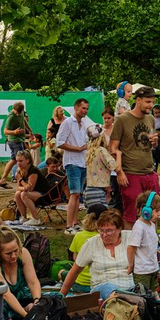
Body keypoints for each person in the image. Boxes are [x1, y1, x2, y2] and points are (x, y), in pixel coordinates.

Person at [110, 84, 159, 226]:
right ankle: (129, 246)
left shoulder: (150, 119)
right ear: (138, 100)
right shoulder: (122, 120)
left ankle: (151, 246)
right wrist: (119, 172)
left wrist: (155, 142)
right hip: (130, 174)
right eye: (148, 101)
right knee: (131, 215)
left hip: (150, 173)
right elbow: (113, 149)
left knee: (153, 213)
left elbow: (150, 145)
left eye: (152, 102)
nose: (151, 105)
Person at [58, 209, 134, 299]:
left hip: (129, 288)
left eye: (109, 231)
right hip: (102, 290)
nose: (104, 235)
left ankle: (127, 300)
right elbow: (75, 271)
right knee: (108, 287)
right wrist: (61, 296)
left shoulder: (131, 238)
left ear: (120, 228)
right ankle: (120, 300)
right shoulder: (91, 244)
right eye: (101, 230)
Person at [0, 226, 42, 320]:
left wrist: (36, 302)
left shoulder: (24, 253)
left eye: (16, 251)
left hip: (22, 299)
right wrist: (27, 317)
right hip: (4, 308)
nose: (14, 256)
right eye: (8, 253)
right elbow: (7, 295)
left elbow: (33, 282)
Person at [57, 98, 94, 235]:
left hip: (82, 161)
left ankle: (75, 223)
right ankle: (68, 226)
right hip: (72, 161)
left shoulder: (83, 123)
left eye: (86, 109)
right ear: (76, 108)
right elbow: (60, 142)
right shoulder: (67, 123)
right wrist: (77, 149)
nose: (85, 111)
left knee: (78, 195)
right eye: (83, 108)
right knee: (74, 193)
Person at [63, 203, 108, 293]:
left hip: (79, 283)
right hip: (99, 285)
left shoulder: (78, 236)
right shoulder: (105, 238)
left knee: (62, 272)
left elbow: (75, 258)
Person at [128, 191, 160, 291]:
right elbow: (131, 247)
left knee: (153, 292)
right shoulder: (139, 227)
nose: (159, 214)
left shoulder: (151, 224)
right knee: (143, 295)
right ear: (146, 210)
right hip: (142, 271)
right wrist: (131, 265)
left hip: (153, 268)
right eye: (157, 211)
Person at [0, 102, 31, 187]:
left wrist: (29, 129)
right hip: (14, 141)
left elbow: (23, 120)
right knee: (21, 160)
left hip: (19, 139)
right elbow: (5, 131)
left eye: (19, 113)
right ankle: (21, 179)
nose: (18, 114)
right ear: (14, 109)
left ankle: (3, 179)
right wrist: (14, 132)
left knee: (13, 160)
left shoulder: (21, 113)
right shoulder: (11, 117)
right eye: (17, 112)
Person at [11, 150, 48, 226]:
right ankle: (23, 217)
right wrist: (24, 187)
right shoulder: (19, 170)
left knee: (24, 194)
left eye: (21, 161)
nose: (18, 163)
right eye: (17, 161)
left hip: (45, 194)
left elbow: (30, 189)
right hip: (33, 193)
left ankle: (36, 219)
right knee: (18, 194)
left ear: (27, 160)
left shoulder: (33, 170)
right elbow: (18, 188)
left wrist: (20, 179)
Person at [85, 124, 115, 208]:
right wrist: (118, 154)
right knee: (102, 218)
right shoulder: (102, 150)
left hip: (88, 190)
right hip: (99, 191)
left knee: (91, 218)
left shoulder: (89, 151)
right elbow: (114, 166)